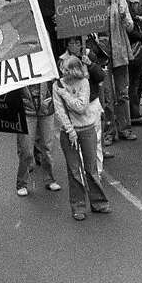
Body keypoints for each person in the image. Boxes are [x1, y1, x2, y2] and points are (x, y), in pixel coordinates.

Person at [53, 54, 108, 220]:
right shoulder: (57, 85)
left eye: (66, 70)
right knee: (74, 170)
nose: (63, 73)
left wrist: (66, 95)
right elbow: (60, 111)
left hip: (87, 128)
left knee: (91, 168)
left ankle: (99, 202)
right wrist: (70, 131)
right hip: (69, 132)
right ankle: (78, 207)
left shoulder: (83, 83)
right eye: (62, 69)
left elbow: (81, 107)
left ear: (75, 71)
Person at [15, 78, 61, 197]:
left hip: (46, 108)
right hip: (25, 109)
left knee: (47, 147)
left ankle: (50, 179)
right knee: (26, 150)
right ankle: (22, 183)